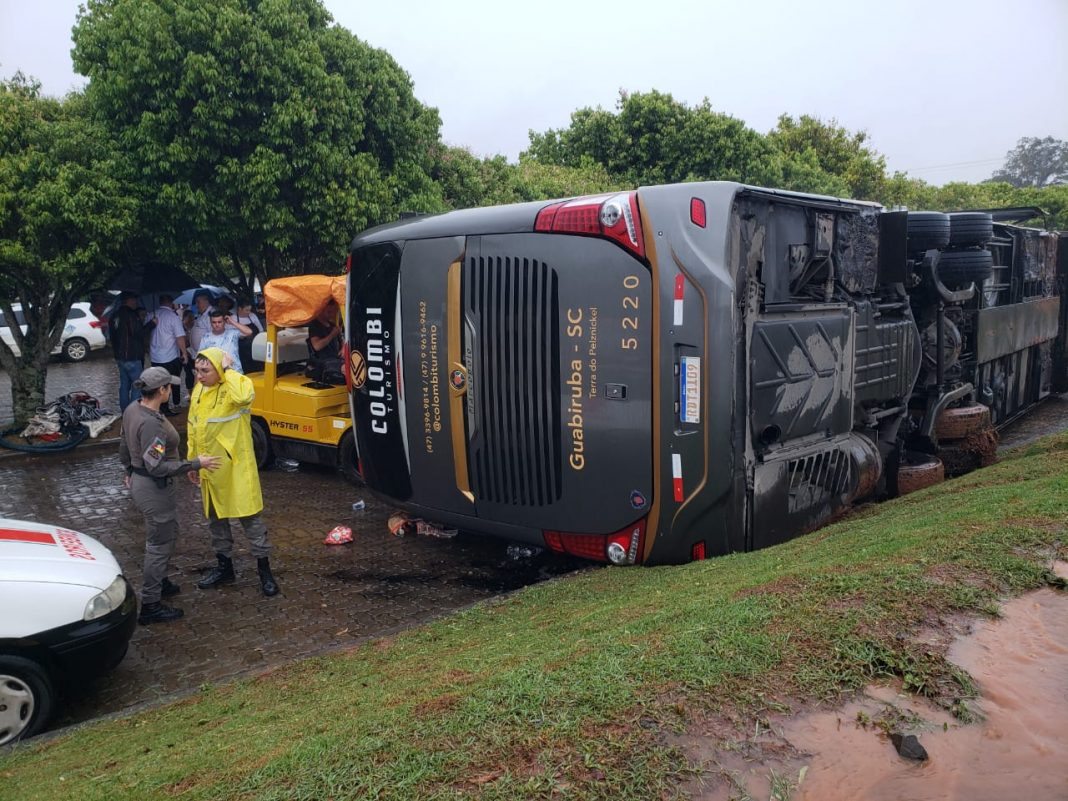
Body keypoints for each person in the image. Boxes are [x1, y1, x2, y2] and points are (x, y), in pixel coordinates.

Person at [119, 366, 220, 624]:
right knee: (158, 545)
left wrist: (129, 468)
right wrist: (196, 463)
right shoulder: (152, 424)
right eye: (169, 387)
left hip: (144, 482)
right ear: (162, 390)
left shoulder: (134, 408)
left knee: (167, 533)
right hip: (154, 487)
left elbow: (123, 443)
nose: (171, 390)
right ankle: (151, 604)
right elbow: (157, 466)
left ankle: (160, 581)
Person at [187, 348, 279, 597]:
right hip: (210, 470)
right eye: (197, 370)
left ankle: (265, 572)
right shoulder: (199, 390)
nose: (199, 376)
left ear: (219, 369)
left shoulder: (235, 384)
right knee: (216, 521)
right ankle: (224, 567)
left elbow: (244, 396)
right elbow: (193, 426)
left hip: (236, 470)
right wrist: (192, 462)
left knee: (251, 521)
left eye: (205, 370)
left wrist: (228, 370)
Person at [147, 294, 188, 416]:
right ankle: (172, 405)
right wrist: (184, 353)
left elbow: (146, 333)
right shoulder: (173, 317)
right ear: (171, 303)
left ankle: (160, 406)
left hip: (155, 356)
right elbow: (180, 337)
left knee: (159, 382)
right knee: (172, 381)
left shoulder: (151, 315)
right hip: (170, 356)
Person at [109, 291, 147, 410]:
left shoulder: (114, 315)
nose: (136, 302)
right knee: (137, 385)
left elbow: (111, 336)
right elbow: (138, 333)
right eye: (134, 299)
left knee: (124, 385)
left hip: (120, 357)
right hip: (132, 356)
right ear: (128, 301)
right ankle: (133, 412)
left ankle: (125, 411)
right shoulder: (131, 315)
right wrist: (151, 324)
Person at [306, 299, 344, 382]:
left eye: (334, 312)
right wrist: (332, 335)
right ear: (322, 309)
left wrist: (343, 348)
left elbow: (341, 341)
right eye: (329, 312)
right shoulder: (314, 325)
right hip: (320, 361)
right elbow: (317, 346)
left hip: (335, 358)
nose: (332, 315)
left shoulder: (333, 325)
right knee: (345, 367)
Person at [234, 297, 263, 373]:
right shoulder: (232, 319)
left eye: (250, 310)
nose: (249, 312)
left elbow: (260, 329)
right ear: (239, 308)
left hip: (256, 347)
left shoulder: (252, 316)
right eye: (246, 310)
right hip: (242, 351)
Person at [188, 290, 215, 355]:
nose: (196, 305)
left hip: (206, 355)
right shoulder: (202, 314)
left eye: (198, 302)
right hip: (198, 354)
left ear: (206, 301)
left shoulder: (212, 315)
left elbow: (215, 337)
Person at [181, 308, 196, 394]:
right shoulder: (181, 328)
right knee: (189, 374)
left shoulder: (195, 326)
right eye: (189, 318)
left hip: (194, 352)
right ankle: (190, 392)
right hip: (186, 353)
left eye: (192, 317)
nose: (191, 319)